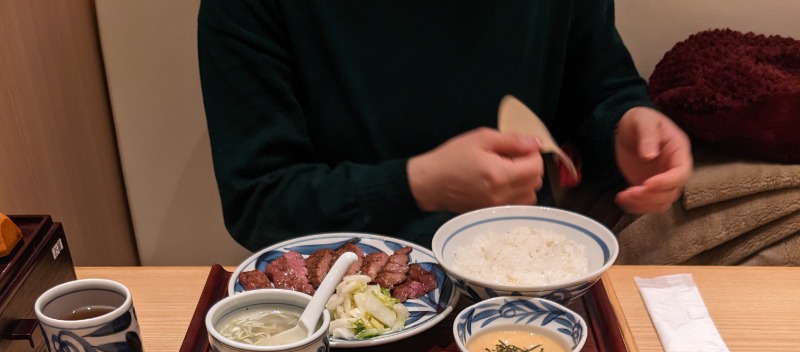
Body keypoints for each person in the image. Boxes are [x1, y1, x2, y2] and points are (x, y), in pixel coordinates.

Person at [197, 0, 692, 252]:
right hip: (340, 299)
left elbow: (598, 88)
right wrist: (417, 185)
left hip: (525, 274)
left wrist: (625, 127)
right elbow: (258, 201)